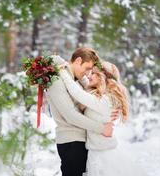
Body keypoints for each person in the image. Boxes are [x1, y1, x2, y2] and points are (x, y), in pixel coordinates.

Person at [58, 61, 148, 176]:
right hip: (95, 153)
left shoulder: (107, 100)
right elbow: (83, 89)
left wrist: (62, 72)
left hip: (104, 156)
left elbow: (78, 94)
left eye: (94, 73)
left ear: (103, 77)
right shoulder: (100, 96)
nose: (88, 76)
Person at [45, 47, 119, 176]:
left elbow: (94, 95)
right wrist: (102, 128)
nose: (88, 73)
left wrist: (111, 111)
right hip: (71, 142)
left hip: (82, 142)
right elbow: (71, 116)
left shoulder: (75, 79)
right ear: (78, 61)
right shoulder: (56, 80)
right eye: (87, 68)